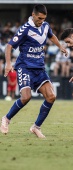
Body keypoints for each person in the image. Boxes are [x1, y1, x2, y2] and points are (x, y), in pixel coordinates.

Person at [0, 4, 67, 138]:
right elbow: (9, 46)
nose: (41, 21)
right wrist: (8, 64)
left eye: (44, 18)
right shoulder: (25, 29)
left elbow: (51, 36)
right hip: (25, 67)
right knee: (26, 97)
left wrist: (60, 46)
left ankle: (36, 127)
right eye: (39, 18)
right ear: (33, 15)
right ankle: (6, 119)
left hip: (39, 68)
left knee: (51, 97)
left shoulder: (46, 26)